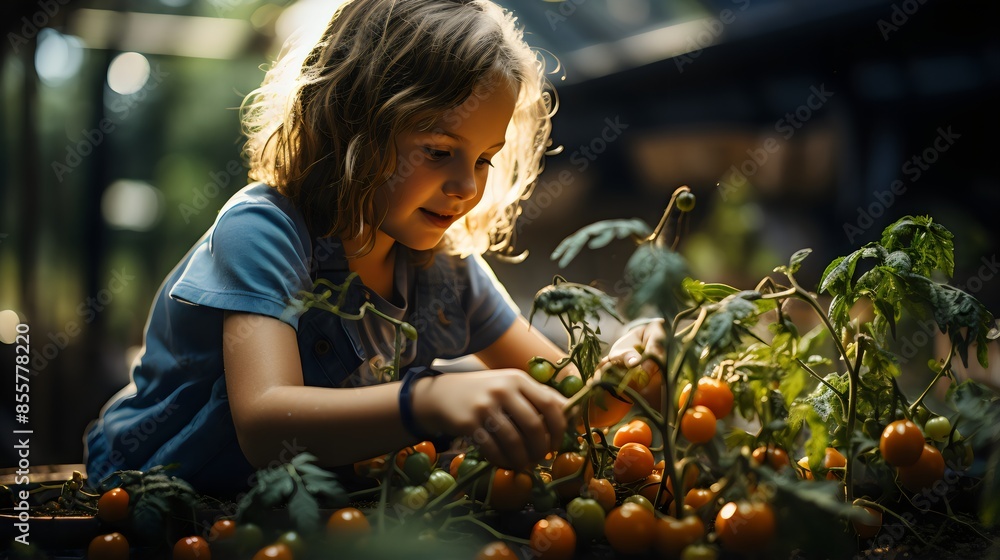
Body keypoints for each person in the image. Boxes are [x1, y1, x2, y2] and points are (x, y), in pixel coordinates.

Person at [84, 0, 664, 496]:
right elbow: (264, 426)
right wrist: (430, 400)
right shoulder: (265, 233)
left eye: (484, 158)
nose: (468, 186)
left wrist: (631, 370)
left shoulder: (447, 274)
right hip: (147, 498)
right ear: (352, 126)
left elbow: (565, 408)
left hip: (281, 516)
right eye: (439, 150)